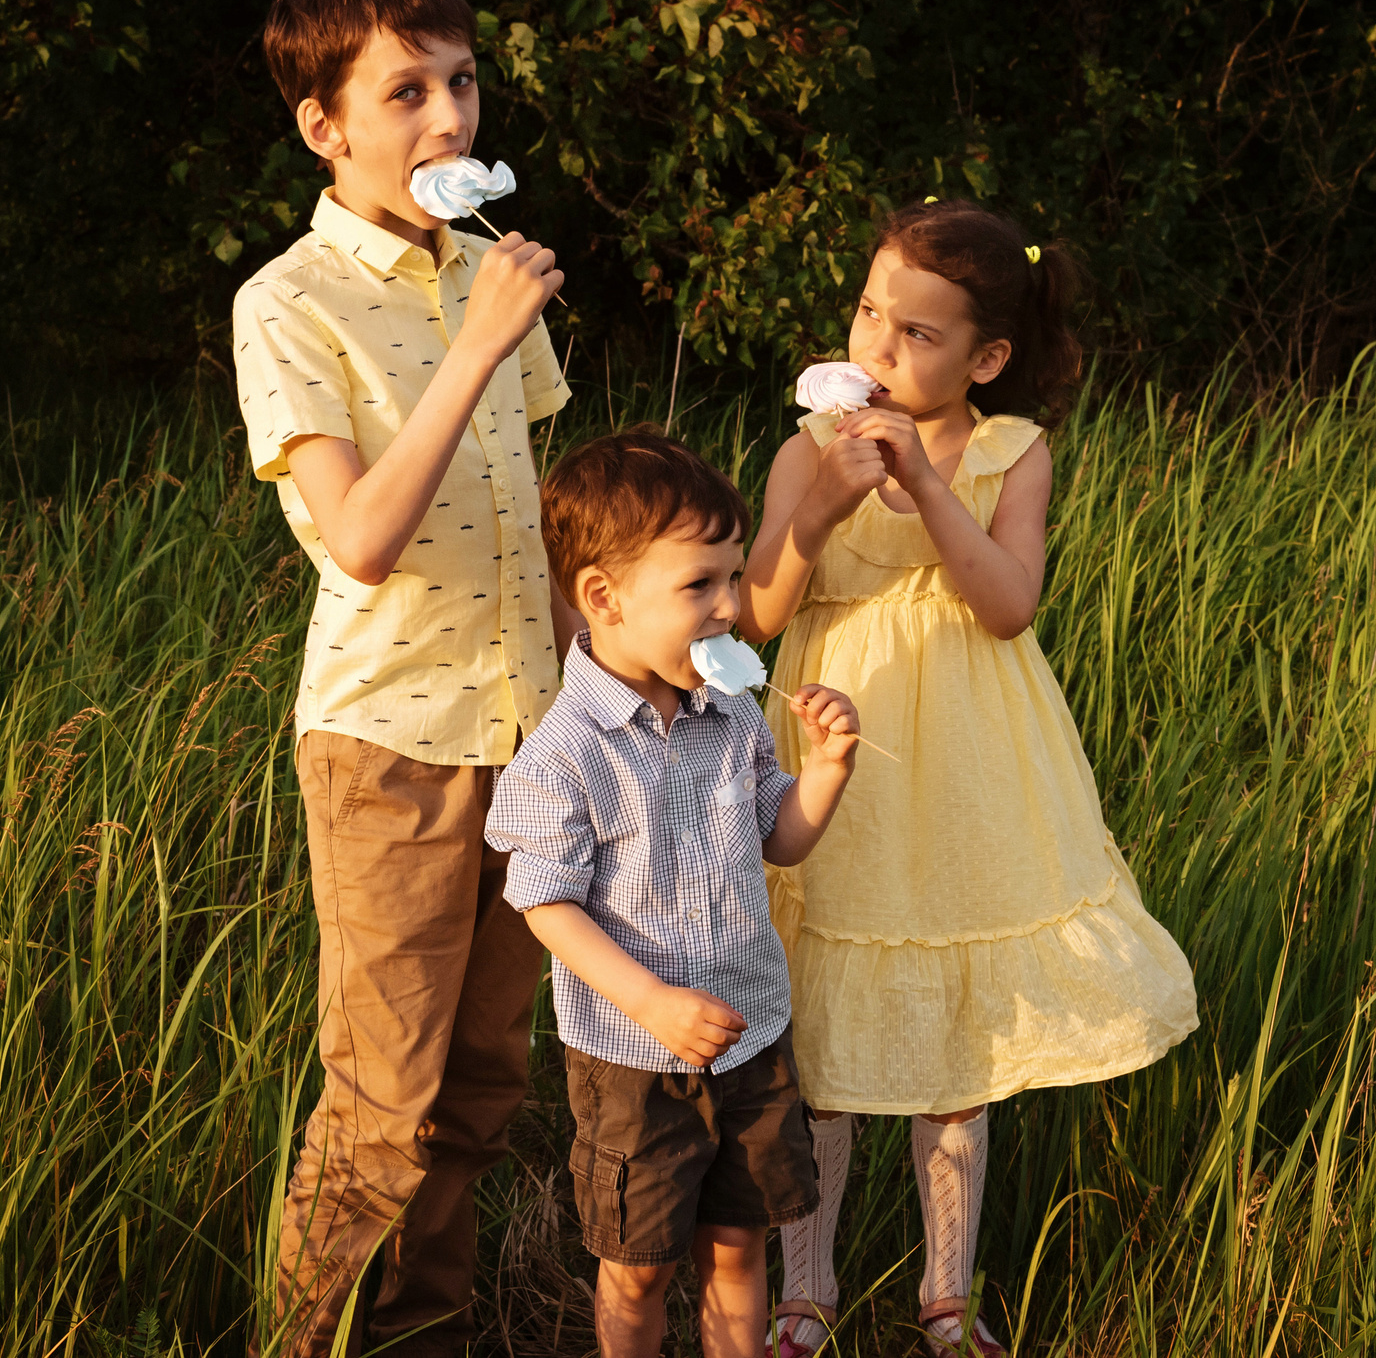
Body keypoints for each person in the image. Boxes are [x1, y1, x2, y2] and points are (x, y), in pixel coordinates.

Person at [740, 198, 1200, 1358]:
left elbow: (1006, 605)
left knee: (957, 1042)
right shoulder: (808, 445)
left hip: (963, 762)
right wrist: (828, 502)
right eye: (867, 316)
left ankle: (945, 1291)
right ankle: (808, 1284)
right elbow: (749, 613)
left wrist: (923, 490)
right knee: (822, 1035)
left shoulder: (1009, 449)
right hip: (830, 741)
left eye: (917, 334)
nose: (878, 349)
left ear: (984, 357)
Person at [231, 0, 574, 1358]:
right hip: (391, 750)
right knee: (381, 1097)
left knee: (486, 1082)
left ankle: (420, 1334)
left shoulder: (486, 268)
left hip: (532, 736)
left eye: (464, 82)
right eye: (407, 93)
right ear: (326, 126)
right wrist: (476, 346)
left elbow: (541, 520)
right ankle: (302, 1342)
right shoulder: (288, 303)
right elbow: (358, 536)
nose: (449, 119)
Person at [485, 430, 865, 1358]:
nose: (732, 606)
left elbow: (778, 837)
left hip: (751, 1035)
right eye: (701, 586)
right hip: (633, 1062)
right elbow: (547, 905)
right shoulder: (565, 754)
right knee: (640, 1265)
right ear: (603, 600)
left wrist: (827, 771)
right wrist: (651, 1000)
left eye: (733, 579)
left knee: (738, 1247)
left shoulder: (731, 711)